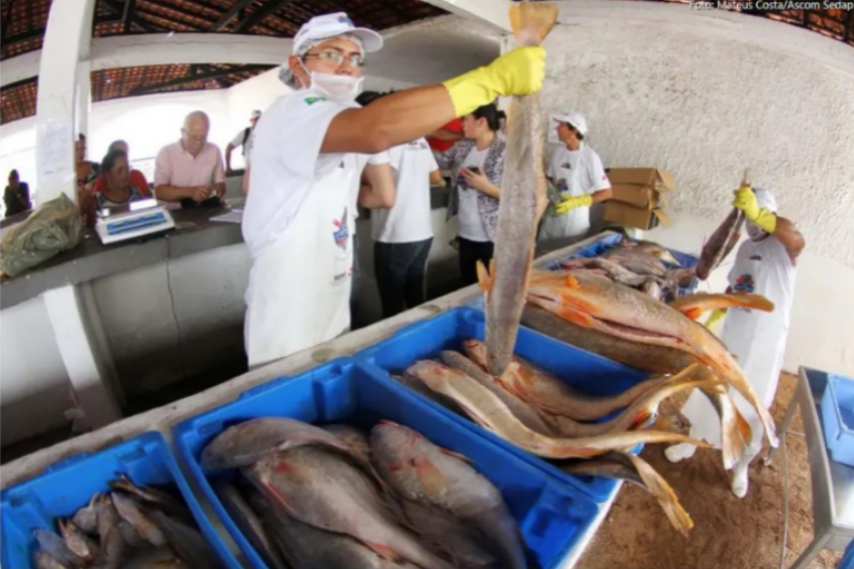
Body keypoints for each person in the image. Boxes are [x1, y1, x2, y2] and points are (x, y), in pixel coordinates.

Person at [240, 11, 545, 369]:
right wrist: (489, 82)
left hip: (331, 289)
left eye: (356, 59)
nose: (347, 67)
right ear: (297, 64)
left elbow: (381, 144)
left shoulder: (340, 115)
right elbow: (376, 130)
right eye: (332, 54)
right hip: (290, 303)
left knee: (327, 381)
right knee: (284, 397)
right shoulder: (292, 110)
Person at [666, 186, 805, 499]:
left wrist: (761, 214)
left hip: (766, 342)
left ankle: (741, 466)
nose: (752, 224)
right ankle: (694, 443)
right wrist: (717, 312)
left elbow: (796, 238)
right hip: (735, 332)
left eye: (757, 215)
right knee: (712, 389)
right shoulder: (743, 249)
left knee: (752, 400)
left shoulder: (785, 247)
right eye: (748, 218)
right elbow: (736, 287)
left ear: (769, 214)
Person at [357, 90, 444, 318]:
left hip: (396, 233)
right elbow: (435, 177)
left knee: (392, 307)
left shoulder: (383, 139)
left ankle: (397, 351)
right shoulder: (418, 138)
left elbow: (375, 184)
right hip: (422, 232)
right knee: (416, 300)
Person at [434, 103, 507, 286]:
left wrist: (487, 187)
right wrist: (416, 142)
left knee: (491, 290)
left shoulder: (506, 151)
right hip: (466, 233)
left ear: (481, 122)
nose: (462, 125)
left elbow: (522, 199)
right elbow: (440, 161)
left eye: (466, 119)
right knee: (467, 285)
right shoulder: (465, 147)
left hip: (493, 237)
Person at [538, 113, 612, 245]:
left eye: (562, 125)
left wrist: (576, 202)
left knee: (563, 258)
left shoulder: (589, 157)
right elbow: (550, 179)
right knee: (542, 254)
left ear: (574, 130)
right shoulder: (558, 151)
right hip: (553, 215)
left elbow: (606, 193)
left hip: (573, 222)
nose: (557, 128)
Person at [153, 111, 226, 208]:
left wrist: (214, 191)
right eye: (194, 137)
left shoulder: (214, 150)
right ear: (183, 132)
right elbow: (160, 192)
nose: (198, 142)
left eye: (203, 138)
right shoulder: (166, 153)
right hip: (175, 213)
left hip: (205, 210)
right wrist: (192, 192)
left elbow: (221, 185)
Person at [86, 149, 150, 227]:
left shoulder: (136, 192)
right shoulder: (97, 201)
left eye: (127, 169)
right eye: (120, 170)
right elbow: (92, 229)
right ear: (107, 174)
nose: (125, 174)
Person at [225, 110, 261, 175]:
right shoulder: (245, 133)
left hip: (264, 171)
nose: (258, 121)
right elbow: (229, 148)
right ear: (251, 120)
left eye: (260, 119)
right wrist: (228, 167)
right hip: (249, 172)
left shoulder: (267, 133)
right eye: (256, 119)